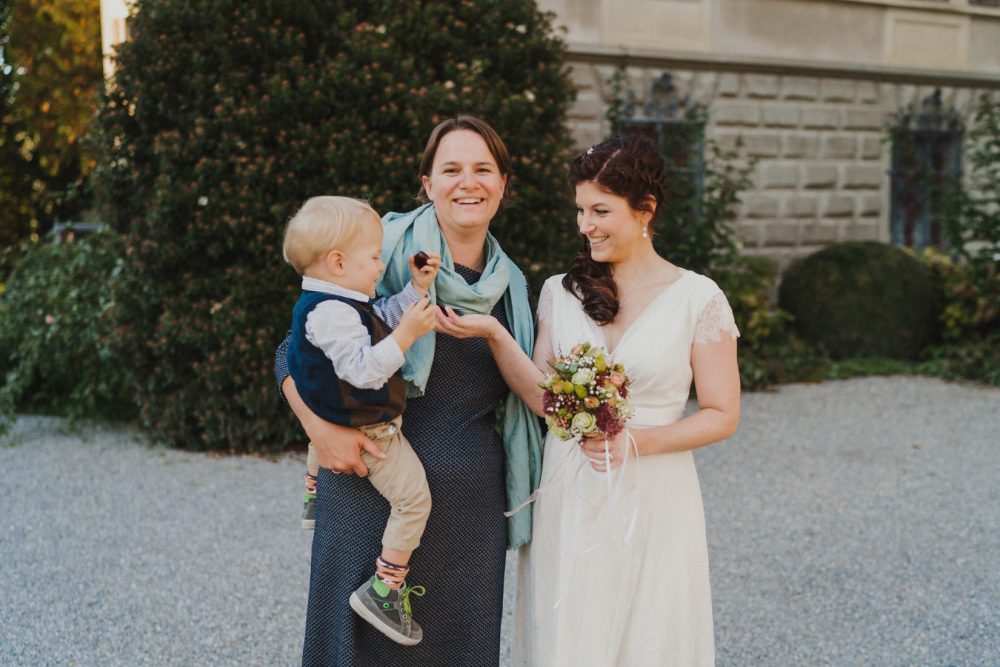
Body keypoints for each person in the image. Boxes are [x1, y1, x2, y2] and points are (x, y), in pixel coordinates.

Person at [435, 133, 741, 665]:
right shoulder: (561, 290)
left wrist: (636, 442)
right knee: (568, 625)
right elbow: (542, 397)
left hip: (656, 490)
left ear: (644, 210)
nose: (585, 225)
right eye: (580, 210)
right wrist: (495, 335)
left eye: (600, 210)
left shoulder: (698, 297)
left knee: (653, 624)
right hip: (570, 485)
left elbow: (722, 414)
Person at [274, 116, 543, 665]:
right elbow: (292, 350)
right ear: (427, 182)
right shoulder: (379, 249)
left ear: (503, 185)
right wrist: (320, 432)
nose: (468, 182)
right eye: (451, 169)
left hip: (470, 510)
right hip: (368, 486)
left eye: (483, 169)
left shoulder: (513, 288)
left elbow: (530, 396)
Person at [282, 195, 441, 645]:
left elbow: (382, 319)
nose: (379, 265)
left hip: (334, 412)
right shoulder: (331, 313)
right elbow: (365, 369)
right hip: (371, 432)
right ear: (337, 261)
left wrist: (416, 289)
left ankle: (314, 493)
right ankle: (384, 589)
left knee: (324, 404)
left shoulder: (338, 300)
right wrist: (409, 335)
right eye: (373, 257)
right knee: (414, 500)